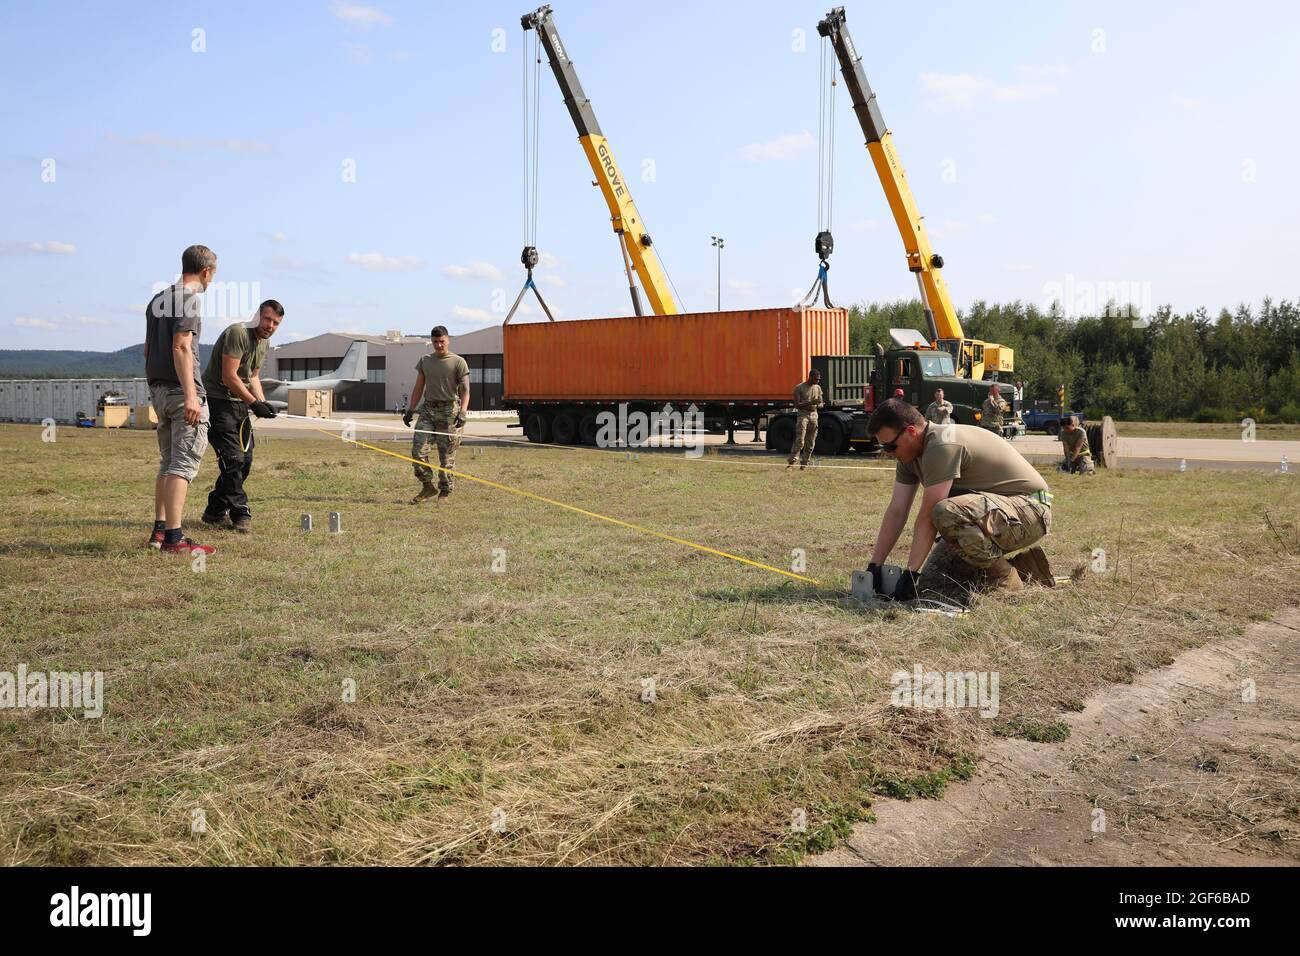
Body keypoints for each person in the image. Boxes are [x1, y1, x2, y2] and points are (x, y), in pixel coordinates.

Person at [863, 398, 1054, 601]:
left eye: (890, 446)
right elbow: (897, 511)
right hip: (995, 516)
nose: (887, 453)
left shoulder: (941, 444)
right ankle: (1029, 569)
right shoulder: (909, 454)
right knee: (934, 583)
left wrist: (910, 573)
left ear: (911, 431)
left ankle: (1005, 578)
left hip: (1030, 509)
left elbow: (928, 516)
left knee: (945, 511)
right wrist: (875, 566)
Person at [143, 245, 218, 555]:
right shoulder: (188, 300)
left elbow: (148, 351)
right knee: (182, 465)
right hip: (181, 392)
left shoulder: (157, 300)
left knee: (167, 463)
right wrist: (191, 396)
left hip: (159, 391)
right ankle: (175, 539)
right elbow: (182, 347)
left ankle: (159, 531)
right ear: (206, 272)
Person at [199, 301, 284, 533]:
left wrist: (263, 402)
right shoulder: (238, 333)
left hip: (239, 405)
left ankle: (215, 509)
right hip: (218, 403)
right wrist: (254, 403)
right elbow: (229, 377)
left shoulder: (264, 342)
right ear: (257, 316)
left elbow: (253, 376)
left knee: (244, 462)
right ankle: (240, 513)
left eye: (276, 323)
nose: (270, 326)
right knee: (232, 459)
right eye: (267, 319)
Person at [404, 326, 470, 502]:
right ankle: (427, 487)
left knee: (446, 455)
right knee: (418, 451)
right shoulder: (425, 360)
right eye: (435, 342)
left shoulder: (458, 362)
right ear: (431, 342)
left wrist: (463, 412)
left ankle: (445, 492)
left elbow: (465, 390)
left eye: (442, 341)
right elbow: (419, 387)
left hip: (449, 411)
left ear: (448, 340)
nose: (439, 345)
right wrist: (411, 409)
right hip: (428, 410)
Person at [787, 369, 824, 470]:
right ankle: (792, 462)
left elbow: (821, 404)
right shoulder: (799, 388)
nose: (818, 381)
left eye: (819, 379)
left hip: (814, 415)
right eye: (816, 379)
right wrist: (811, 402)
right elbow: (797, 405)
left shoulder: (818, 388)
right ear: (810, 377)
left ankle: (804, 464)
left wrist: (818, 404)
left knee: (811, 441)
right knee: (800, 440)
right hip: (803, 415)